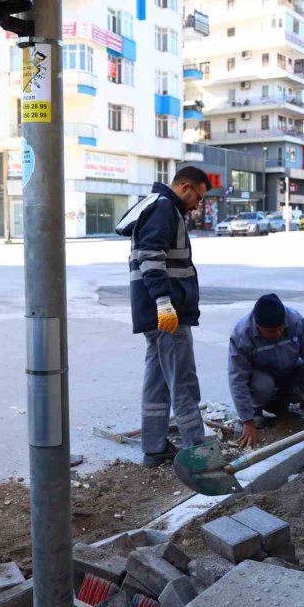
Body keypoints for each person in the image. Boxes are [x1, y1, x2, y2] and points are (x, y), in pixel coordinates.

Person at [115, 166, 212, 468]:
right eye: (198, 197)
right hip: (166, 313)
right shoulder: (164, 209)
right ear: (185, 187)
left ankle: (154, 447)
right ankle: (199, 451)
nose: (198, 205)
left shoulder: (160, 206)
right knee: (183, 380)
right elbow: (151, 257)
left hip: (156, 312)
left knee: (157, 382)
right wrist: (163, 302)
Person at [228, 294, 304, 448]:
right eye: (271, 331)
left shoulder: (295, 321)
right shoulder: (242, 334)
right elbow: (237, 379)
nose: (277, 334)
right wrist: (247, 421)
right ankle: (256, 411)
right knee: (264, 385)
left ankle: (281, 403)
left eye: (280, 328)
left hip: (289, 370)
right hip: (261, 378)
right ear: (258, 326)